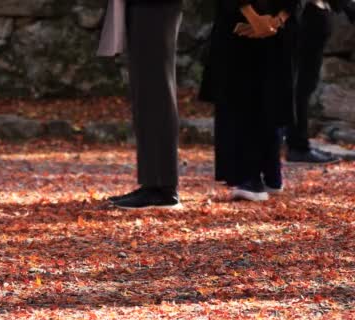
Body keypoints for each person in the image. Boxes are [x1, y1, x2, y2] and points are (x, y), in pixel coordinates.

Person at [200, 0, 300, 201]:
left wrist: (256, 18)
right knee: (269, 91)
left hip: (244, 24)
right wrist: (276, 20)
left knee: (244, 97)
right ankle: (271, 174)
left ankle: (250, 177)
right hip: (274, 24)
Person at [98, 0, 183, 210]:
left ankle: (163, 188)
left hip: (155, 7)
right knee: (146, 92)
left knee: (155, 90)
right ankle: (153, 184)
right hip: (142, 7)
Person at [286, 0, 355, 164]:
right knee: (301, 86)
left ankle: (299, 144)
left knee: (306, 86)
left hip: (316, 17)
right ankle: (297, 146)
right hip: (307, 18)